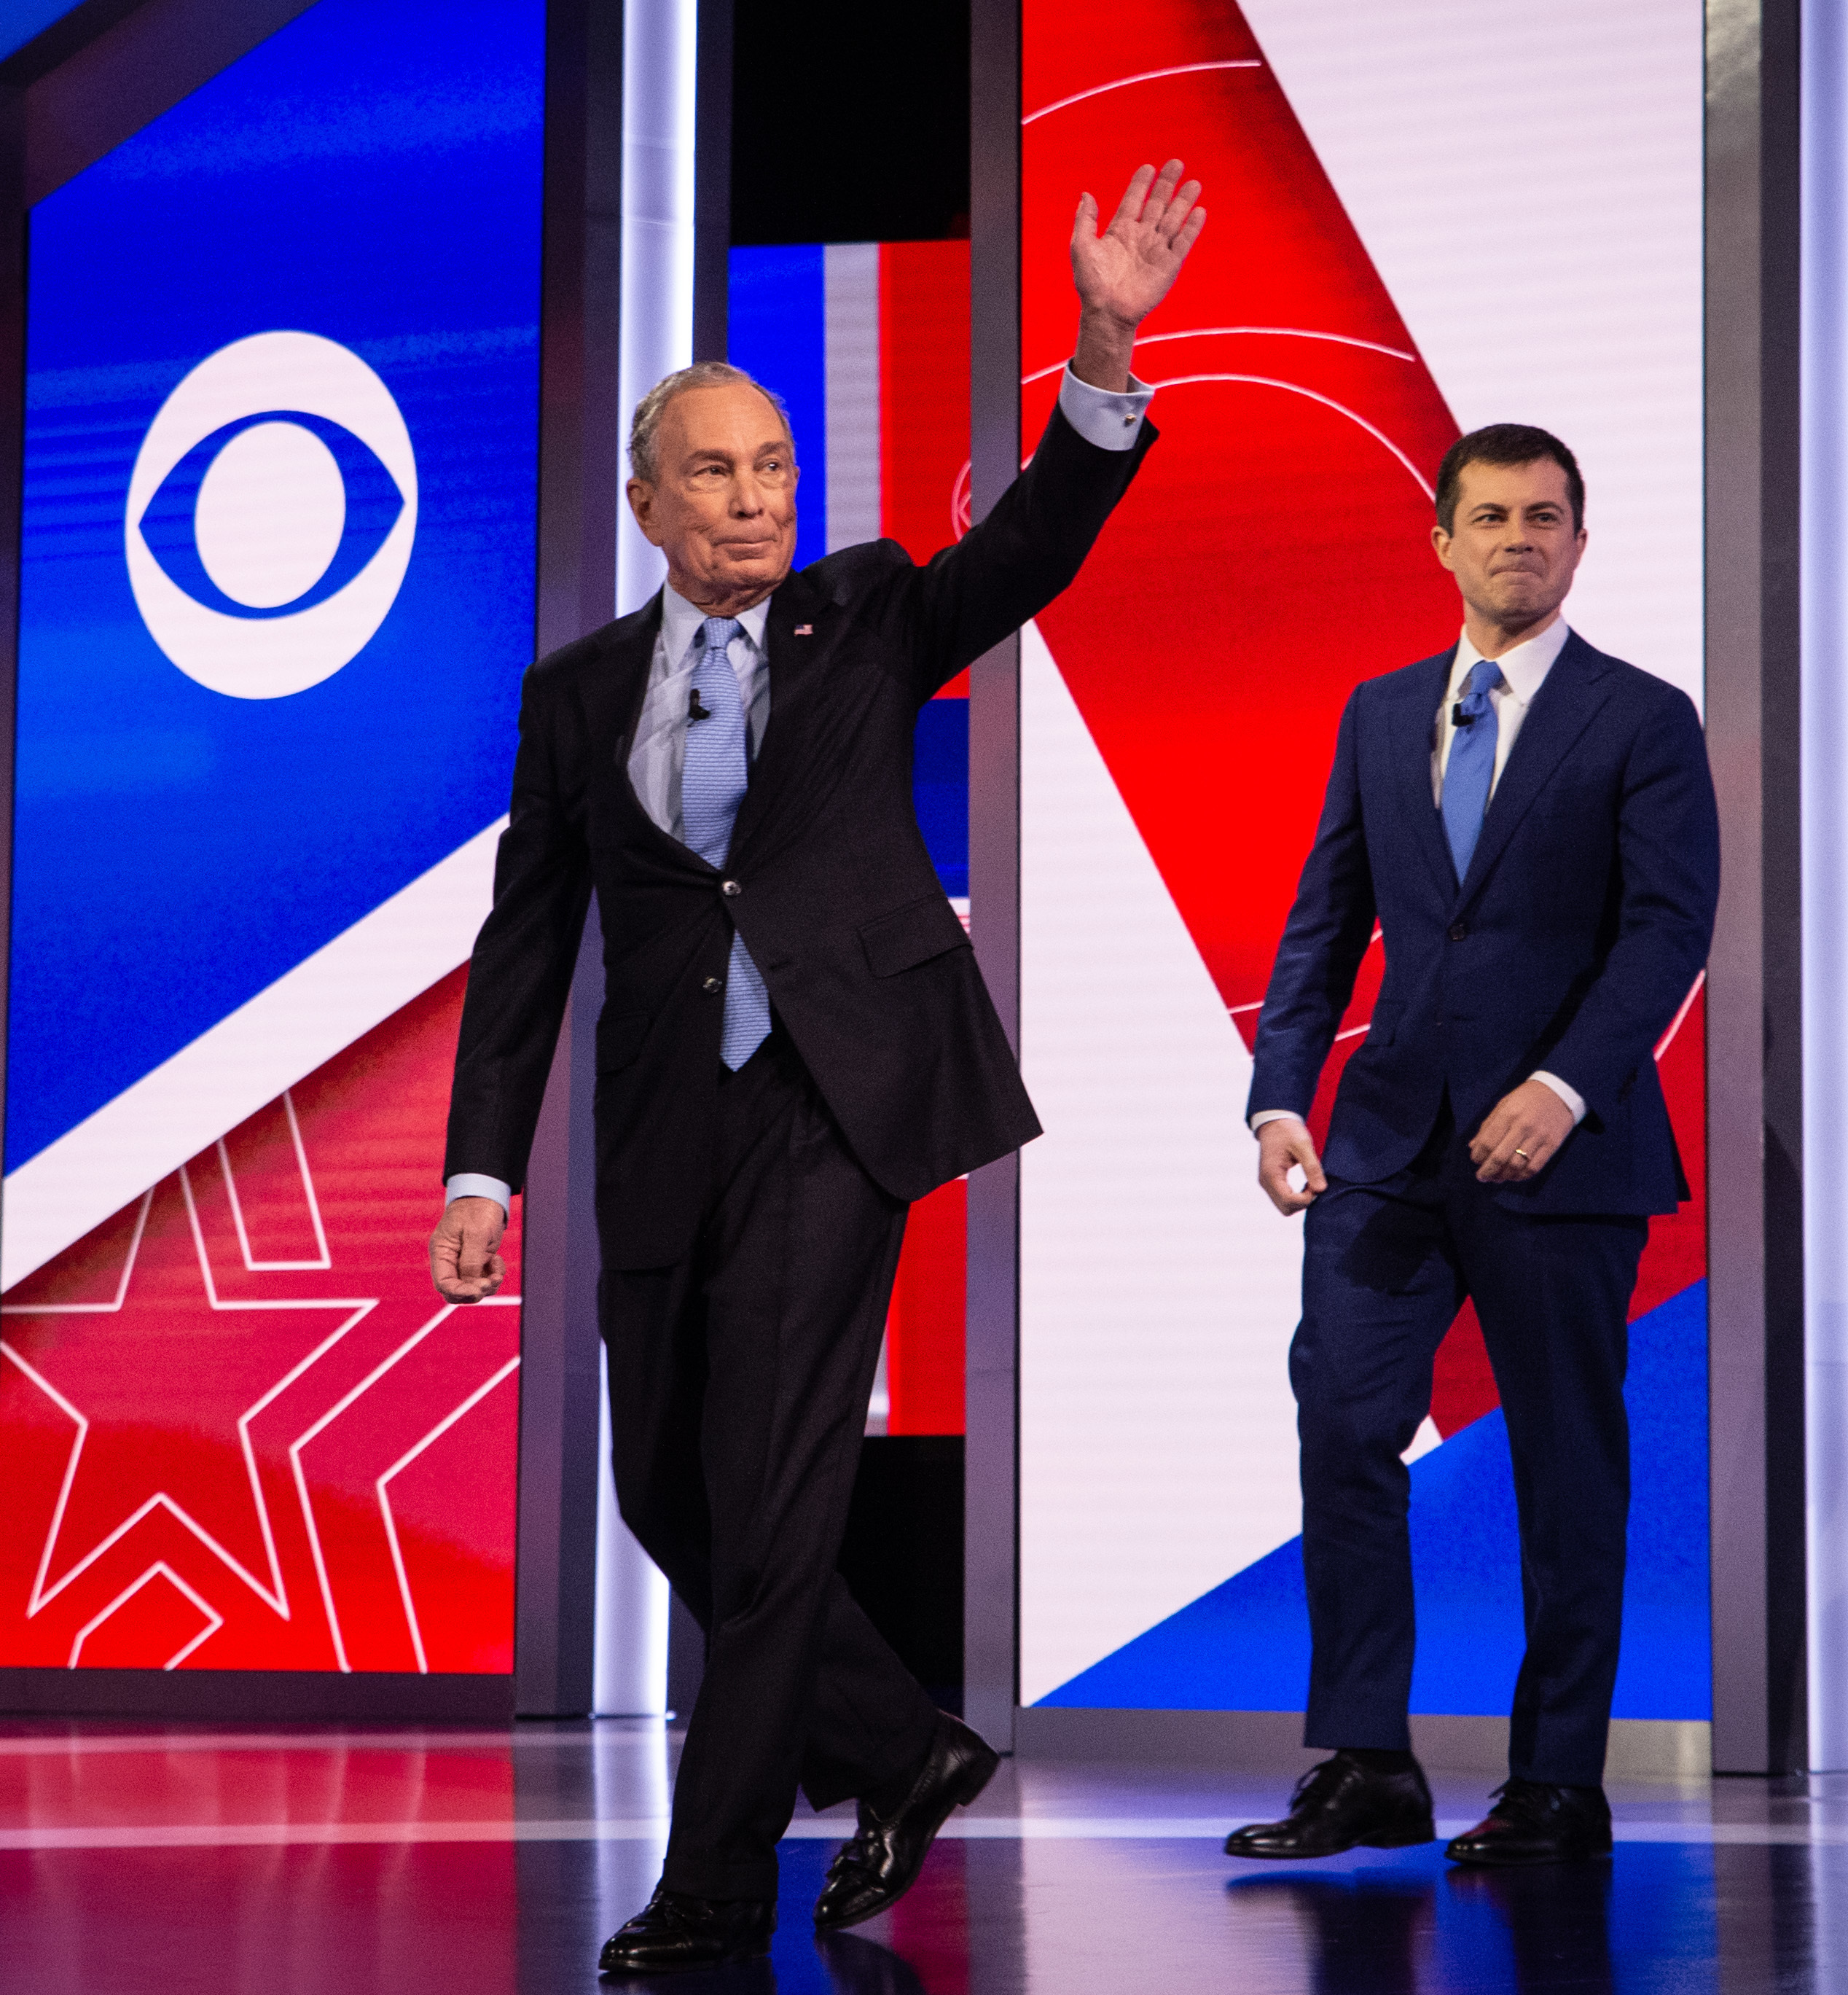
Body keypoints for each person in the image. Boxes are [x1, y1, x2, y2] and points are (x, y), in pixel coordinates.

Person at [428, 163, 1206, 1973]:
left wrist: (1103, 345)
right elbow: (527, 939)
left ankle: (712, 1887)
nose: (753, 495)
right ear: (643, 503)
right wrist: (483, 1168)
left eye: (772, 465)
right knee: (665, 1494)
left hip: (830, 1106)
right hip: (656, 1130)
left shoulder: (862, 615)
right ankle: (902, 1741)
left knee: (775, 1495)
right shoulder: (575, 692)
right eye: (714, 470)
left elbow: (1030, 548)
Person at [1227, 425, 1718, 1868]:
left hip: (1562, 1154)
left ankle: (1559, 1781)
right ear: (1441, 541)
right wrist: (1276, 1098)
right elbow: (1326, 921)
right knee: (1342, 1426)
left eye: (1546, 517)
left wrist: (1563, 1084)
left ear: (1578, 543)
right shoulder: (1381, 712)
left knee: (1568, 1464)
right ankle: (1367, 1758)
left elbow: (1665, 929)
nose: (1519, 537)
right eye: (1491, 516)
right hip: (1385, 1150)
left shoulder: (1641, 716)